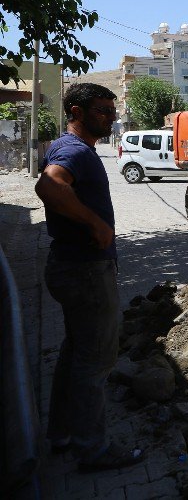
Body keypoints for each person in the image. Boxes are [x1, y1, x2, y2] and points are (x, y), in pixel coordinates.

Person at [34, 82, 145, 472]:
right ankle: (92, 450)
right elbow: (48, 185)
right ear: (76, 112)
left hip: (71, 266)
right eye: (101, 110)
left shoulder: (76, 149)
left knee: (75, 352)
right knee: (95, 360)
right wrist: (95, 223)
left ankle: (62, 434)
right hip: (84, 271)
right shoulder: (73, 150)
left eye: (112, 110)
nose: (111, 117)